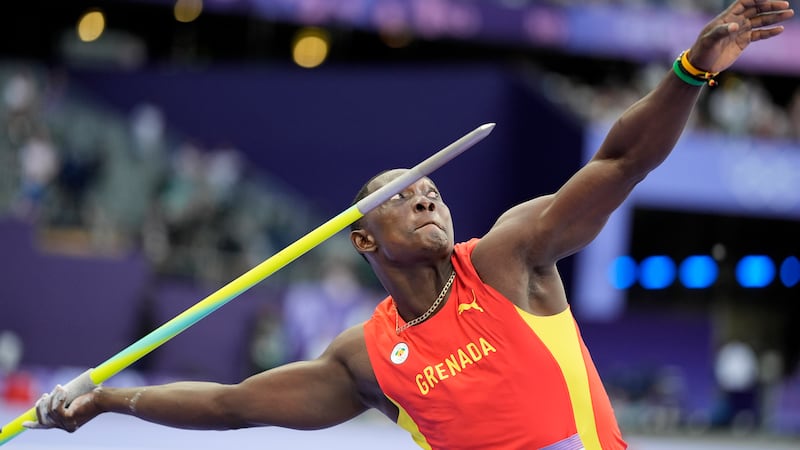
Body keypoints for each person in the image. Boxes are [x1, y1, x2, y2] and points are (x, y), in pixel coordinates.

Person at [16, 1, 795, 448]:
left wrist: (691, 72)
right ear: (362, 238)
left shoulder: (507, 259)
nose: (427, 199)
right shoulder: (367, 357)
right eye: (401, 196)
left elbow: (621, 162)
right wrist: (111, 399)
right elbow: (230, 405)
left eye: (432, 190)